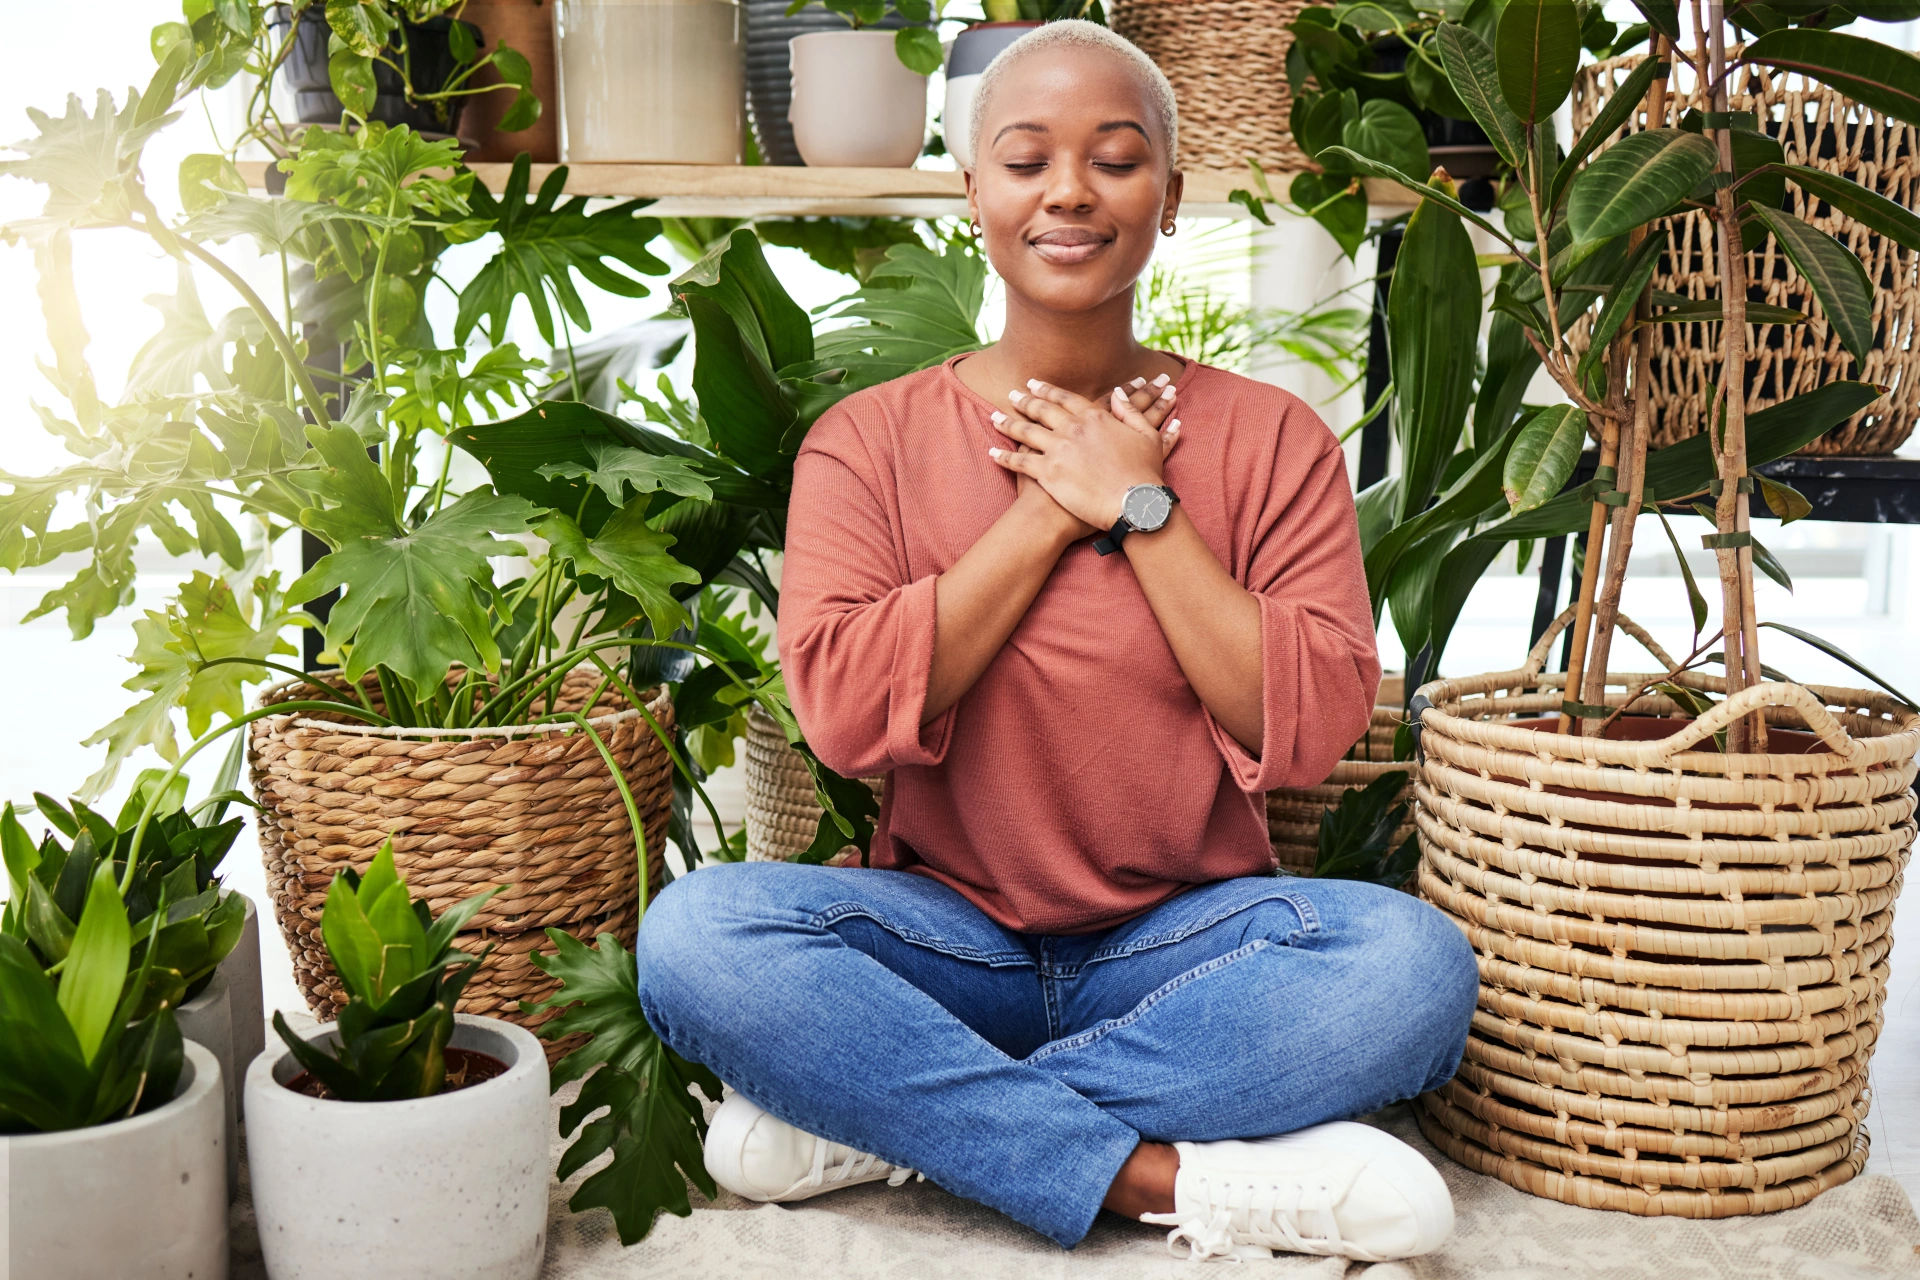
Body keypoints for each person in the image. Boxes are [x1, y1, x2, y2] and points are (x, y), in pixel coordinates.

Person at [636, 20, 1479, 1264]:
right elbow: (847, 712)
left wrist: (1142, 506)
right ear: (973, 192)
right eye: (1026, 159)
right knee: (697, 935)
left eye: (1116, 158)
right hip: (944, 936)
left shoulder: (1270, 439)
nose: (1070, 190)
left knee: (1413, 966)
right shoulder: (865, 443)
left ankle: (893, 1118)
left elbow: (1309, 722)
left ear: (1172, 196)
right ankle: (1156, 1175)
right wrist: (1045, 508)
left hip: (1188, 949)